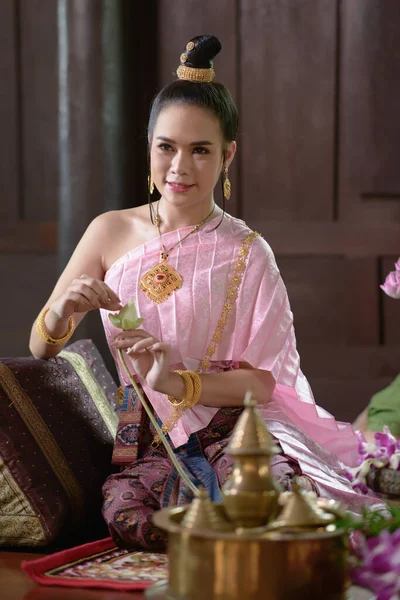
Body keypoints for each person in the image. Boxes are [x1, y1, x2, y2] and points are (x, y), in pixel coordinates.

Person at [30, 35, 382, 551]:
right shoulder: (108, 232)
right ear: (148, 145)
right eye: (166, 147)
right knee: (126, 517)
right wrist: (60, 310)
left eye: (200, 150)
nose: (180, 167)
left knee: (278, 506)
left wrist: (178, 381)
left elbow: (262, 386)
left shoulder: (247, 252)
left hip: (233, 429)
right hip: (147, 431)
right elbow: (42, 348)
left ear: (227, 155)